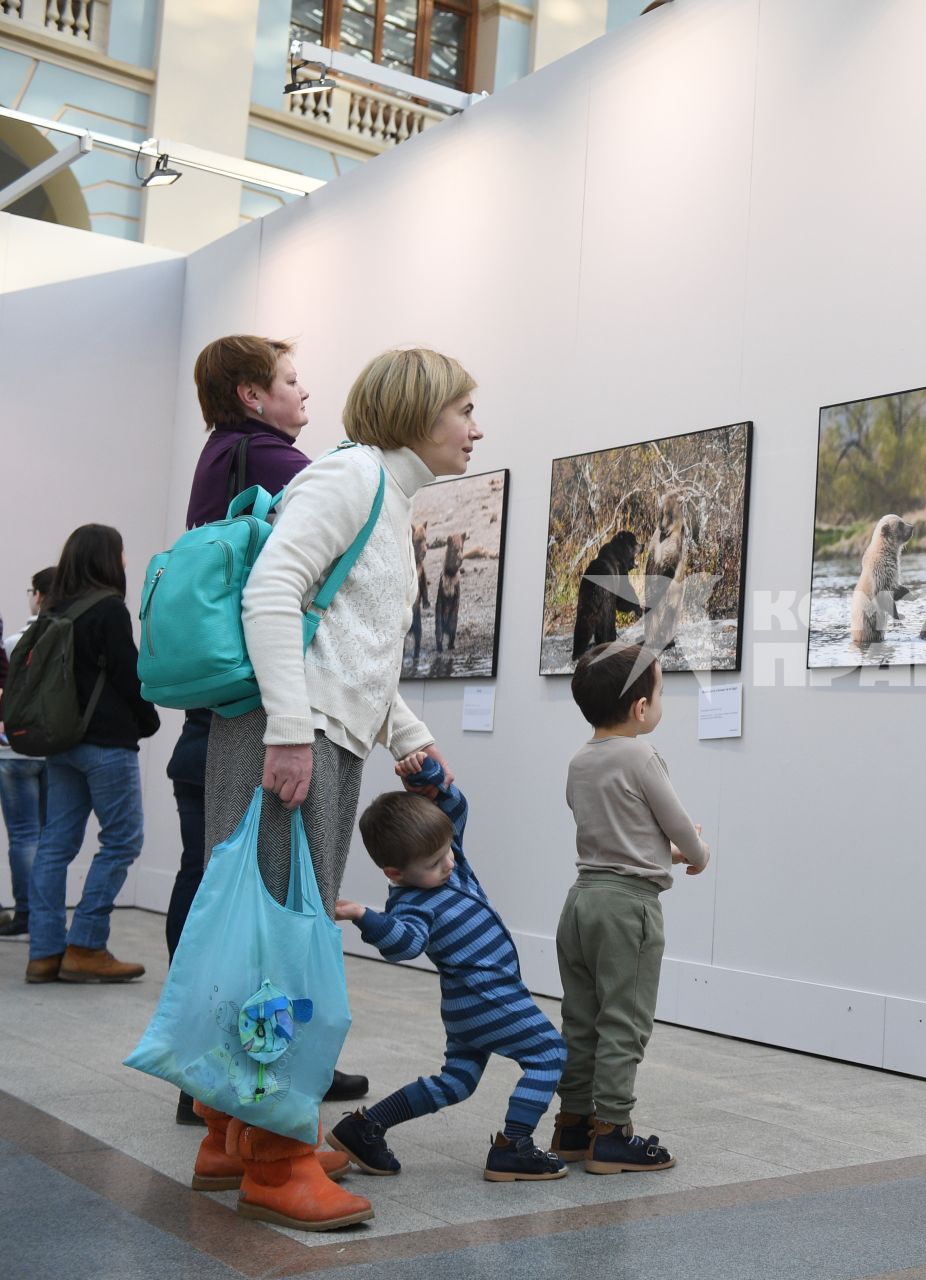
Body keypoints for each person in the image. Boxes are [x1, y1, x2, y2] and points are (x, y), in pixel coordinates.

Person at [189, 345, 481, 1232]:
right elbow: (272, 597)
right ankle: (276, 1160)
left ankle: (230, 1134)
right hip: (294, 736)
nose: (476, 428)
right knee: (282, 947)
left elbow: (348, 641)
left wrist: (409, 736)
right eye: (463, 410)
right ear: (416, 411)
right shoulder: (348, 480)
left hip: (324, 734)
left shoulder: (385, 497)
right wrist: (287, 731)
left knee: (274, 935)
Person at [165, 336, 345, 1124]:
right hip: (262, 714)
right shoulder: (274, 463)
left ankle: (205, 1073)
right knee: (273, 916)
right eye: (291, 381)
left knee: (210, 894)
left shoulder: (216, 460)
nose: (304, 395)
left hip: (208, 719)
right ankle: (247, 1075)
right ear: (249, 393)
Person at [328, 755, 569, 1183]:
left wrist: (428, 780)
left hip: (468, 1004)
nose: (450, 864)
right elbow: (404, 944)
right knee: (549, 1053)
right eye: (436, 862)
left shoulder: (445, 865)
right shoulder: (411, 903)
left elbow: (455, 810)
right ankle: (514, 1146)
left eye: (447, 851)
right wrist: (364, 915)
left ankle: (365, 1127)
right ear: (395, 873)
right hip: (488, 995)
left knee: (457, 1080)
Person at [549, 641, 710, 1174]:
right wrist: (697, 852)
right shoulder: (642, 756)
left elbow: (610, 831)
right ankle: (614, 1132)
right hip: (629, 908)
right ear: (641, 708)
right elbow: (674, 820)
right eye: (660, 694)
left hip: (580, 903)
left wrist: (661, 850)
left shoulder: (578, 762)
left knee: (581, 1017)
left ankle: (572, 1125)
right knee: (624, 1020)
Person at [24, 527, 160, 982]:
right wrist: (149, 720)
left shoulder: (55, 608)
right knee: (122, 840)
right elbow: (128, 675)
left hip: (61, 743)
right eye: (122, 552)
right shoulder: (108, 609)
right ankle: (85, 944)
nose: (125, 560)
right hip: (106, 745)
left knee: (54, 846)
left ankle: (43, 953)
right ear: (107, 558)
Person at [0, 568, 53, 939]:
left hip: (13, 751)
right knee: (51, 836)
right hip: (53, 750)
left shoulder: (14, 641)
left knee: (23, 836)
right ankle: (44, 919)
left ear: (38, 595)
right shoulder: (67, 638)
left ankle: (25, 916)